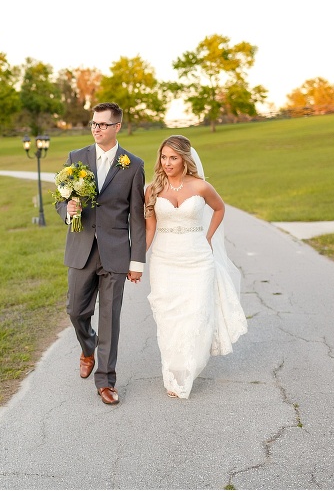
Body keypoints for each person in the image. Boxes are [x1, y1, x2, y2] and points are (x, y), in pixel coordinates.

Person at [55, 102, 146, 405]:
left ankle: (106, 380)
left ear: (117, 127)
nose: (96, 129)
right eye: (94, 123)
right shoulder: (75, 158)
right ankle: (87, 346)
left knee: (109, 318)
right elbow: (60, 199)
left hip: (116, 254)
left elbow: (137, 217)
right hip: (81, 248)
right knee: (75, 311)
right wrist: (67, 210)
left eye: (103, 124)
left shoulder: (133, 165)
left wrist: (136, 261)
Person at [144, 135, 248, 399]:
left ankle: (187, 369)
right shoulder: (153, 190)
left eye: (173, 158)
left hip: (197, 259)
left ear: (185, 159)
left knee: (196, 315)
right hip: (164, 260)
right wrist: (136, 260)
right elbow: (150, 228)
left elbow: (219, 209)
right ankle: (173, 372)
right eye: (164, 157)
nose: (167, 162)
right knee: (167, 318)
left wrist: (208, 236)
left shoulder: (201, 187)